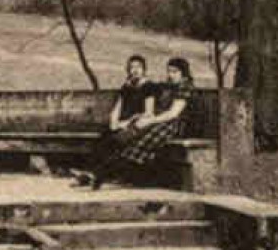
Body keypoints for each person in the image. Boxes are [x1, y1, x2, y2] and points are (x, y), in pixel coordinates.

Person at [80, 56, 196, 189]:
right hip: (162, 122)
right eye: (169, 71)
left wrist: (150, 120)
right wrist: (132, 84)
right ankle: (97, 175)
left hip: (174, 126)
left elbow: (173, 113)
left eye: (175, 72)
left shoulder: (185, 87)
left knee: (137, 146)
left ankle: (99, 175)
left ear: (184, 73)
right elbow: (150, 87)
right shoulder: (171, 85)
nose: (171, 75)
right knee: (126, 138)